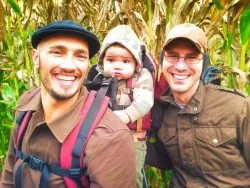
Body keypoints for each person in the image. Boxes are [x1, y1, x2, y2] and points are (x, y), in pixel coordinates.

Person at [0, 20, 136, 188]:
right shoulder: (26, 107)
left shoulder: (109, 138)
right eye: (57, 52)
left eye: (80, 56)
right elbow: (8, 177)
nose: (69, 66)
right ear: (36, 57)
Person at [146, 23, 250, 187]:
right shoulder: (161, 111)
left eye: (191, 57)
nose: (180, 66)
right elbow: (165, 160)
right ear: (162, 61)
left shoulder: (238, 107)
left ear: (204, 63)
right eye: (172, 56)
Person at [95, 25, 154, 187]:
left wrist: (127, 115)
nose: (117, 66)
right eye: (111, 60)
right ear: (102, 61)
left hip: (133, 139)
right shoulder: (98, 79)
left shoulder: (141, 78)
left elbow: (145, 101)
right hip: (104, 139)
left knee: (132, 176)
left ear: (136, 63)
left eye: (125, 61)